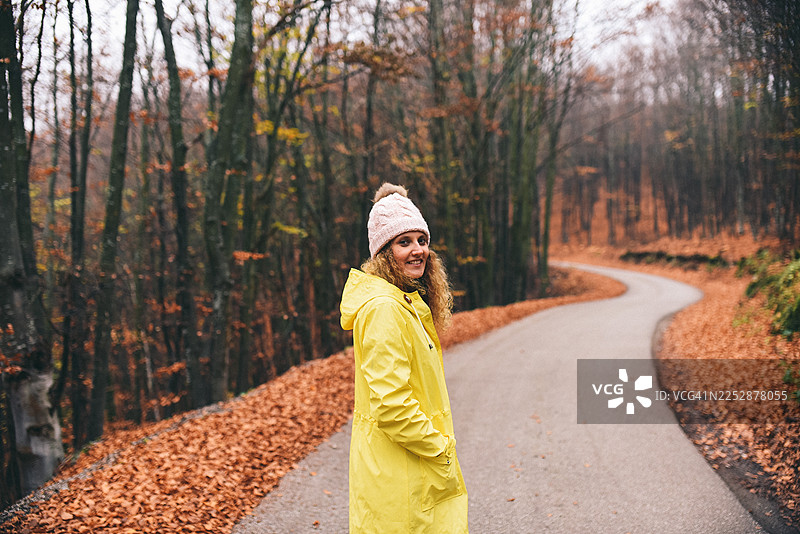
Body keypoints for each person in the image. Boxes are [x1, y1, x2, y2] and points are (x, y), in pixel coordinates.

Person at [340, 183, 468, 533]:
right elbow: (392, 404)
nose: (417, 251)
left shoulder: (404, 303)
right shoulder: (384, 309)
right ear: (383, 252)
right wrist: (439, 447)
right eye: (404, 242)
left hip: (412, 467)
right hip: (400, 472)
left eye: (422, 241)